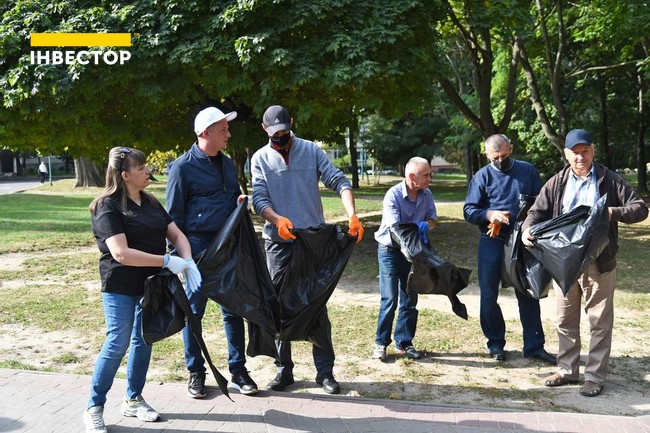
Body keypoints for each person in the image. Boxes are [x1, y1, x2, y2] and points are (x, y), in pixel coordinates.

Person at [521, 128, 648, 397]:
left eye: (585, 151)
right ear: (567, 155)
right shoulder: (557, 182)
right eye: (575, 153)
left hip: (599, 262)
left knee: (599, 321)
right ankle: (567, 370)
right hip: (564, 263)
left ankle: (594, 377)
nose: (581, 157)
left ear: (593, 151)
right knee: (564, 319)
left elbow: (640, 208)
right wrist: (527, 229)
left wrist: (609, 212)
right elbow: (535, 212)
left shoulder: (609, 180)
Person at [85, 147, 201, 433]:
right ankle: (94, 406)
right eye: (141, 168)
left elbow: (175, 233)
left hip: (151, 286)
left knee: (143, 340)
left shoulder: (149, 201)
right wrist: (167, 260)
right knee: (117, 343)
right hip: (120, 286)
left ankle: (133, 399)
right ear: (125, 175)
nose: (148, 170)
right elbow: (121, 253)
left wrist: (187, 261)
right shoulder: (106, 207)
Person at [250, 104, 364, 395]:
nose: (280, 137)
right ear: (265, 131)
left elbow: (337, 179)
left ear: (292, 124)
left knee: (316, 305)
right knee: (280, 307)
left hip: (312, 242)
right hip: (279, 243)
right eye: (275, 133)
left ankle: (324, 372)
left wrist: (352, 213)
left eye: (284, 132)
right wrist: (276, 220)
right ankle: (283, 370)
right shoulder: (260, 158)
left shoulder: (312, 150)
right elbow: (259, 198)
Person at [166, 106, 259, 398]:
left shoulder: (228, 164)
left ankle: (239, 371)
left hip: (228, 248)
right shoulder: (182, 167)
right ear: (205, 133)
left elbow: (232, 197)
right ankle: (196, 372)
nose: (229, 134)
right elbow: (172, 216)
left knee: (234, 310)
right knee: (194, 313)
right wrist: (180, 261)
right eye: (223, 130)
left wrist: (239, 201)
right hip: (197, 250)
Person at [463, 134, 556, 364]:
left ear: (511, 149)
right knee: (488, 294)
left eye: (504, 155)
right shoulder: (481, 176)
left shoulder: (528, 171)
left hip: (523, 240)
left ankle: (534, 346)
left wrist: (531, 227)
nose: (500, 161)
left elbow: (542, 205)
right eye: (495, 158)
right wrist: (488, 214)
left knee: (528, 293)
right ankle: (495, 344)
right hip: (491, 239)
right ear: (487, 155)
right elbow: (468, 210)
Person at [372, 157, 437, 362]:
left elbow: (433, 219)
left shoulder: (427, 195)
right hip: (391, 250)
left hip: (414, 251)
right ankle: (381, 343)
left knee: (410, 298)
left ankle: (404, 342)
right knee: (390, 298)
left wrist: (427, 225)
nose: (430, 178)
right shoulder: (393, 195)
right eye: (426, 175)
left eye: (429, 174)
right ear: (412, 177)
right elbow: (396, 228)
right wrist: (415, 228)